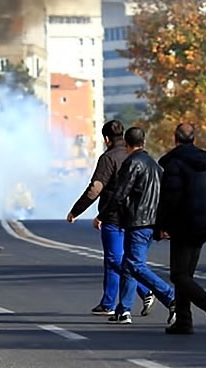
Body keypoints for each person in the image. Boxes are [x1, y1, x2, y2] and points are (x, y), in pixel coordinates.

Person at [67, 120, 157, 317]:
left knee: (115, 259)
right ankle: (109, 301)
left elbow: (95, 188)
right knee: (122, 259)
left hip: (114, 217)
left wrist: (76, 211)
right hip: (136, 218)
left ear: (106, 139)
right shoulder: (135, 156)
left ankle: (146, 290)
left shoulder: (108, 158)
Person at [95, 126, 175, 325]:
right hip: (152, 224)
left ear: (127, 144)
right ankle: (124, 311)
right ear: (144, 142)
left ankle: (171, 297)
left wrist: (102, 215)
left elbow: (120, 194)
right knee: (130, 265)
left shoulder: (132, 163)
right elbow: (164, 198)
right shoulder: (155, 166)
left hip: (137, 223)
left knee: (134, 265)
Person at [156, 123, 206, 335]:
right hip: (204, 223)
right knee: (186, 274)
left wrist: (161, 226)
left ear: (175, 138)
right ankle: (183, 321)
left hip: (185, 224)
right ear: (193, 139)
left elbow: (169, 199)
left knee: (179, 275)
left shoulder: (174, 164)